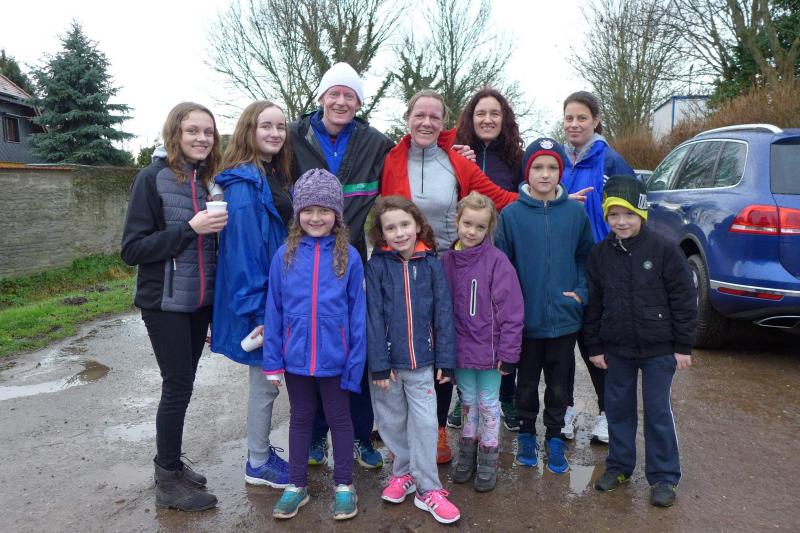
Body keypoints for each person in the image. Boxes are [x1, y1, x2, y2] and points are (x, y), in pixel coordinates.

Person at [381, 88, 518, 463]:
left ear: (444, 123)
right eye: (419, 115)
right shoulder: (391, 160)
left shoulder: (456, 161)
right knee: (405, 347)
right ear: (408, 119)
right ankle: (403, 432)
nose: (426, 122)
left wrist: (549, 197)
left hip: (446, 268)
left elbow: (498, 197)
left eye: (434, 117)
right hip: (404, 267)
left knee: (442, 348)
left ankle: (438, 430)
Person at [121, 102, 227, 511]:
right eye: (192, 131)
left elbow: (212, 254)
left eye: (208, 132)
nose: (202, 138)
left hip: (198, 303)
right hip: (164, 304)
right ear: (175, 134)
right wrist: (189, 229)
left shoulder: (210, 182)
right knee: (177, 386)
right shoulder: (151, 179)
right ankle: (166, 478)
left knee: (183, 386)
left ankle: (173, 467)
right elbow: (132, 249)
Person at [289, 62, 391, 468]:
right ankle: (316, 435)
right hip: (303, 255)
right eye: (334, 93)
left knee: (354, 345)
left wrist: (458, 148)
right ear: (321, 97)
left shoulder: (375, 142)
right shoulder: (293, 136)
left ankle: (362, 436)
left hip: (352, 257)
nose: (341, 101)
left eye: (350, 95)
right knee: (313, 348)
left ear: (359, 103)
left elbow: (415, 153)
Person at [584, 175, 696, 508]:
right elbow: (594, 304)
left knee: (658, 411)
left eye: (629, 214)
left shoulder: (663, 249)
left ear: (642, 214)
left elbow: (684, 298)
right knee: (618, 409)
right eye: (614, 214)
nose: (621, 221)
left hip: (659, 349)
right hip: (617, 349)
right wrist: (595, 346)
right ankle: (619, 467)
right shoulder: (599, 254)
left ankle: (664, 476)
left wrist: (683, 346)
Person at [263, 168, 366, 520]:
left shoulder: (349, 257)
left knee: (340, 419)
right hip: (295, 360)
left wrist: (355, 363)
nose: (316, 217)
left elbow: (357, 314)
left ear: (336, 214)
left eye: (324, 210)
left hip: (337, 360)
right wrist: (272, 362)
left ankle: (344, 485)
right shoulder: (284, 255)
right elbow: (274, 311)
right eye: (308, 210)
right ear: (298, 214)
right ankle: (296, 485)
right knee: (301, 419)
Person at [495, 138, 594, 474]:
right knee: (525, 384)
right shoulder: (511, 215)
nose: (545, 174)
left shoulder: (575, 213)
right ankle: (526, 433)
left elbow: (585, 257)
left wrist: (580, 291)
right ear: (527, 171)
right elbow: (502, 266)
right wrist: (510, 307)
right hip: (525, 321)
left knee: (559, 385)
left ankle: (554, 436)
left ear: (560, 172)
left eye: (552, 167)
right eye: (538, 167)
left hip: (564, 319)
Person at [210, 101, 292, 489]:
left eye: (281, 127)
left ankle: (260, 453)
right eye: (266, 126)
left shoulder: (269, 173)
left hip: (277, 295)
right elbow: (243, 254)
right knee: (264, 382)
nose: (275, 133)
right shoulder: (243, 184)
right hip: (262, 301)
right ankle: (257, 461)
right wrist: (260, 312)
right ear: (249, 130)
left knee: (268, 379)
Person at [365, 196, 460, 525]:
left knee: (424, 424)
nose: (399, 232)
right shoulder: (376, 267)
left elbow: (443, 313)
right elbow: (373, 317)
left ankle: (428, 488)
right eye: (390, 228)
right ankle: (403, 472)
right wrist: (378, 363)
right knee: (391, 422)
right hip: (388, 368)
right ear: (381, 234)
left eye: (405, 224)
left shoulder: (432, 265)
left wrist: (446, 360)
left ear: (418, 225)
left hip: (422, 364)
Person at [560, 90, 636, 444]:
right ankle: (565, 409)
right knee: (562, 344)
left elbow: (631, 212)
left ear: (596, 120)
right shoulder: (557, 161)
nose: (574, 124)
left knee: (597, 344)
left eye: (581, 118)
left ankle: (608, 413)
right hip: (562, 263)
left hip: (599, 266)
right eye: (569, 118)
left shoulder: (611, 161)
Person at [449, 87, 525, 432]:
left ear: (504, 118)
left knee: (501, 322)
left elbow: (525, 198)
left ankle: (506, 395)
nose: (488, 119)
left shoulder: (515, 158)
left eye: (495, 113)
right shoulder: (456, 152)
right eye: (481, 113)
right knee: (465, 322)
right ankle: (462, 398)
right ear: (471, 117)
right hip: (465, 255)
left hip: (502, 253)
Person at [441, 192, 523, 492]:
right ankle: (467, 451)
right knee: (467, 402)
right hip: (460, 351)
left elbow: (512, 311)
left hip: (489, 353)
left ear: (488, 228)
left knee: (488, 404)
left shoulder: (497, 261)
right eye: (467, 224)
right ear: (457, 221)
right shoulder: (446, 261)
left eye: (479, 227)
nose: (472, 231)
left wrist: (509, 353)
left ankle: (488, 457)